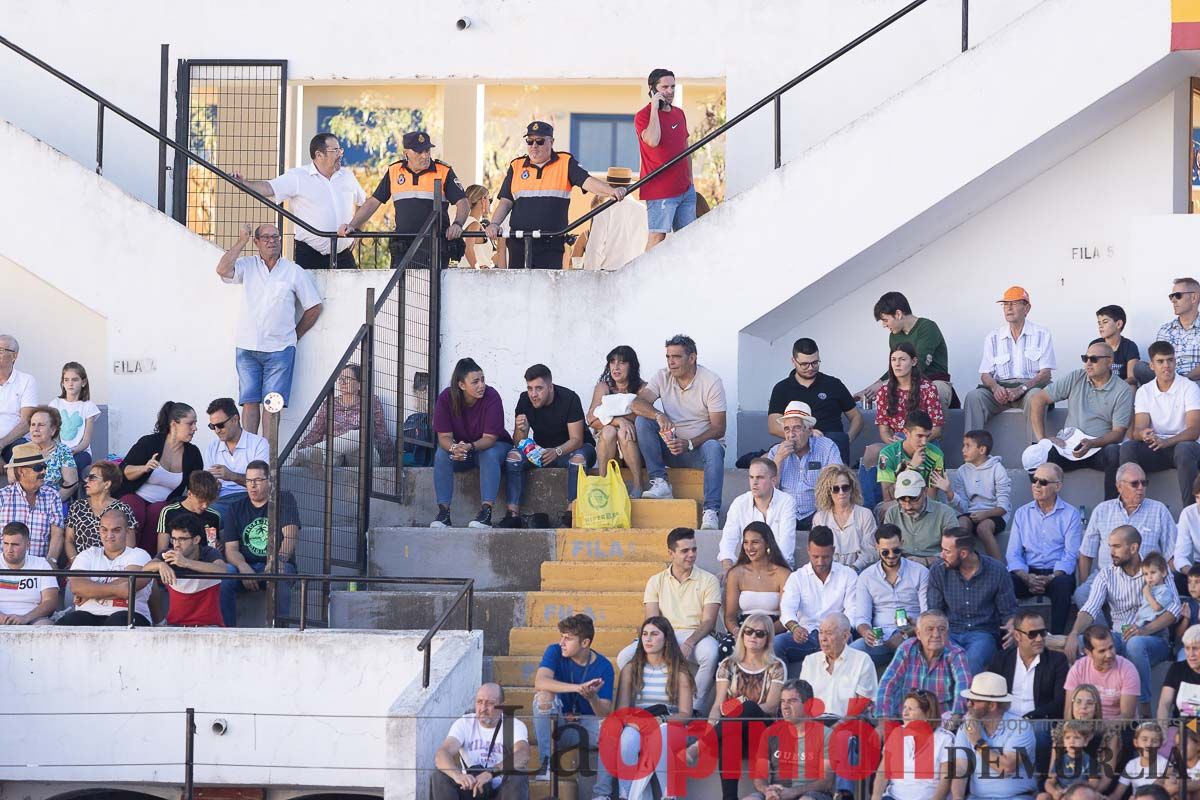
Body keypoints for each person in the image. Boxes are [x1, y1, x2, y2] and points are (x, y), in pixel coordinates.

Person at [217, 222, 323, 436]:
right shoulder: (247, 265)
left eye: (275, 237)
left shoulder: (293, 271)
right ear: (256, 242)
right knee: (249, 403)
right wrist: (241, 240)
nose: (271, 241)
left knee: (272, 405)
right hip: (247, 347)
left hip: (280, 350)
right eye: (265, 238)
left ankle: (268, 459)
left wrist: (295, 335)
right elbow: (222, 269)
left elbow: (314, 307)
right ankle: (250, 456)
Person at [485, 121, 626, 269]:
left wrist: (611, 191)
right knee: (519, 290)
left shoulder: (565, 163)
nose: (534, 146)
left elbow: (587, 181)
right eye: (529, 141)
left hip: (550, 244)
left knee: (547, 290)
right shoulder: (516, 166)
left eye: (539, 141)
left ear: (551, 142)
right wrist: (494, 224)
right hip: (519, 243)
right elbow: (505, 202)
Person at [1069, 527, 1180, 714]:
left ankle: (1144, 711)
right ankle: (1090, 711)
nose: (1111, 552)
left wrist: (1144, 631)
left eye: (1117, 546)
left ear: (1134, 548)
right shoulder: (1106, 574)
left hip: (1154, 639)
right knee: (1081, 643)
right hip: (1118, 637)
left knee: (1135, 644)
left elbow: (1174, 611)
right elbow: (1090, 608)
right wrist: (1073, 633)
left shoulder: (1156, 569)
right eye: (1110, 546)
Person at [617, 528, 720, 709]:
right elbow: (652, 620)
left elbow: (709, 621)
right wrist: (667, 642)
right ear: (671, 554)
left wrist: (689, 642)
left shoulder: (709, 580)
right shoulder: (655, 581)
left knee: (711, 653)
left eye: (694, 549)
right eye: (685, 551)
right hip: (663, 633)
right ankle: (638, 708)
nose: (691, 555)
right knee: (624, 657)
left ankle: (695, 708)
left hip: (696, 635)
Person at [631, 334, 727, 530]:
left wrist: (690, 443)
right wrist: (658, 415)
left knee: (714, 447)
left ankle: (711, 512)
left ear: (692, 358)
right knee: (643, 420)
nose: (671, 362)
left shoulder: (711, 381)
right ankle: (660, 482)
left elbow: (719, 428)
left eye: (676, 357)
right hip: (672, 448)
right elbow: (637, 403)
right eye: (668, 357)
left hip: (699, 451)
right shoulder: (662, 376)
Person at [340, 131, 471, 270]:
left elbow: (463, 203)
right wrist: (352, 225)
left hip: (434, 246)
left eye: (427, 150)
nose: (425, 155)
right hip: (404, 247)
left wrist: (458, 224)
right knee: (401, 290)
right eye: (419, 152)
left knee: (433, 290)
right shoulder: (394, 171)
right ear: (406, 153)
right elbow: (373, 202)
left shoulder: (443, 171)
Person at [231, 133, 365, 269]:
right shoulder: (297, 177)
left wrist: (356, 230)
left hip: (343, 254)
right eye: (335, 150)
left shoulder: (347, 176)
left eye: (340, 149)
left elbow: (363, 203)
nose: (340, 154)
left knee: (351, 290)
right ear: (319, 155)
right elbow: (268, 188)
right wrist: (243, 183)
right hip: (310, 255)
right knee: (307, 291)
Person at [1027, 340, 1132, 499]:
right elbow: (1037, 399)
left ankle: (1110, 508)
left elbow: (1118, 433)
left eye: (1094, 359)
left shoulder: (1122, 389)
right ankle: (1042, 507)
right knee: (1033, 454)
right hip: (1067, 446)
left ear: (1109, 362)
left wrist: (1092, 443)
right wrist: (1043, 439)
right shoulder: (1077, 376)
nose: (1088, 363)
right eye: (1085, 358)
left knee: (1114, 452)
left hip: (1098, 448)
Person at [501, 364, 596, 529]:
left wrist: (557, 451)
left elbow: (577, 439)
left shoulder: (569, 398)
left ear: (550, 387)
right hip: (542, 451)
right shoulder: (525, 399)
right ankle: (513, 514)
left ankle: (570, 513)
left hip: (572, 450)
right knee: (513, 456)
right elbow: (518, 442)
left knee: (578, 459)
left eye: (539, 388)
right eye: (530, 388)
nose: (533, 394)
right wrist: (521, 430)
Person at [704, 612, 786, 800]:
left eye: (759, 633)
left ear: (768, 638)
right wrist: (710, 726)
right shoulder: (728, 664)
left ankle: (700, 746)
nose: (752, 637)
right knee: (731, 735)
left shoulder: (776, 666)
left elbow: (772, 706)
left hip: (763, 732)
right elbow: (718, 705)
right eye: (748, 631)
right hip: (733, 732)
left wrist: (745, 708)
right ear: (741, 634)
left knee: (747, 707)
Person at [530, 613, 614, 792]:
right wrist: (578, 688)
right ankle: (547, 765)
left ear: (585, 643)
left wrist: (592, 697)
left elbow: (605, 712)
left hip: (585, 724)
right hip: (556, 723)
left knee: (612, 728)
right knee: (544, 696)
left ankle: (602, 793)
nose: (562, 642)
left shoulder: (604, 666)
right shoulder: (554, 651)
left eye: (568, 639)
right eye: (562, 637)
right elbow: (540, 682)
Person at [1075, 463, 1176, 609]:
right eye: (1135, 483)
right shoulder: (1102, 510)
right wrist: (1085, 582)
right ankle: (1103, 631)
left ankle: (1139, 630)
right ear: (1119, 487)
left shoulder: (1159, 510)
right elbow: (1086, 553)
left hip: (1144, 577)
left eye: (1144, 482)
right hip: (1108, 576)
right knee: (1082, 594)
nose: (1141, 487)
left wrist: (1158, 578)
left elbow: (1173, 554)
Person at [614, 616, 693, 800]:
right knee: (627, 738)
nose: (648, 639)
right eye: (645, 634)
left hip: (669, 724)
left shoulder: (679, 671)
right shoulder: (630, 669)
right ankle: (626, 794)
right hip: (638, 723)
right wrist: (634, 723)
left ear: (666, 640)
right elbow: (622, 711)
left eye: (654, 634)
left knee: (662, 733)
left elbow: (685, 714)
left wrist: (660, 720)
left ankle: (669, 794)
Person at [430, 358, 512, 529]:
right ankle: (444, 513)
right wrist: (455, 448)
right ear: (461, 385)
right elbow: (444, 437)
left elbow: (490, 439)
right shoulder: (446, 398)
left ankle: (486, 513)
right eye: (475, 382)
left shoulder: (492, 397)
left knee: (488, 453)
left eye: (482, 380)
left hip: (492, 447)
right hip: (464, 452)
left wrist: (469, 446)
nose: (481, 385)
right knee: (441, 453)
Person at [962, 286, 1056, 432]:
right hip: (1001, 389)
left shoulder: (1042, 334)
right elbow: (985, 374)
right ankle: (973, 449)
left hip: (1029, 388)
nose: (1009, 308)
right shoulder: (993, 337)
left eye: (1014, 303)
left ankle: (1036, 450)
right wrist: (995, 388)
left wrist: (1022, 388)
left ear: (1027, 308)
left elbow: (1045, 374)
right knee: (974, 397)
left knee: (1035, 397)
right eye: (1005, 304)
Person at [1120, 340, 1200, 508]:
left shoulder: (1189, 387)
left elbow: (1194, 431)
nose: (1167, 366)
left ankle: (1191, 512)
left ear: (1175, 361)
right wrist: (1144, 434)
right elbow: (1137, 430)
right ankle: (1129, 507)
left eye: (1170, 360)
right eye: (1160, 361)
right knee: (1128, 448)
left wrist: (1167, 442)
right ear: (1151, 365)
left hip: (1184, 448)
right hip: (1157, 447)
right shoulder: (1144, 391)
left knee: (1184, 449)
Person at [1005, 462, 1082, 634]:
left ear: (1058, 486)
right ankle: (1010, 636)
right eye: (1034, 480)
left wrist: (1051, 577)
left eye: (1043, 482)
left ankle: (1056, 639)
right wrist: (1026, 577)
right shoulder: (1022, 513)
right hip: (1028, 571)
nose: (1037, 485)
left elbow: (1070, 555)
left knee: (1063, 586)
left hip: (1056, 573)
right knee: (1005, 582)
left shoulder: (1071, 514)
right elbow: (1013, 553)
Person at [219, 460, 299, 625]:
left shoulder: (283, 500)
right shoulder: (236, 508)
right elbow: (231, 549)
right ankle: (226, 631)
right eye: (248, 481)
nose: (252, 485)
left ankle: (280, 632)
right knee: (225, 574)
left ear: (269, 481)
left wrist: (278, 560)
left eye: (257, 480)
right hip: (246, 566)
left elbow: (290, 536)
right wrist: (243, 567)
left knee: (281, 574)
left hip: (276, 563)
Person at [928, 530, 1017, 675]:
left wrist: (1012, 624)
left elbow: (1008, 610)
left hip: (983, 632)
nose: (941, 555)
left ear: (963, 554)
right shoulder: (938, 570)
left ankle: (962, 698)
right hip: (950, 631)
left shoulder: (997, 570)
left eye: (947, 551)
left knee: (971, 661)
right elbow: (935, 611)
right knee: (940, 658)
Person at [118, 401, 203, 551]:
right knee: (133, 506)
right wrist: (143, 468)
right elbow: (123, 470)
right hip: (135, 494)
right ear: (174, 424)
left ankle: (148, 561)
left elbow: (195, 487)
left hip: (164, 503)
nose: (195, 428)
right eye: (190, 424)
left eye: (195, 424)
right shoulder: (150, 442)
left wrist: (211, 485)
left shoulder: (193, 454)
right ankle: (126, 558)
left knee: (160, 512)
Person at [774, 526, 861, 671]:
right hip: (805, 636)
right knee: (777, 644)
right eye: (815, 557)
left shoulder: (848, 575)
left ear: (833, 551)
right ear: (808, 550)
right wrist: (795, 628)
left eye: (825, 557)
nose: (820, 562)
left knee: (847, 638)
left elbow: (852, 612)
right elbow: (787, 610)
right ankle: (783, 689)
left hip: (836, 636)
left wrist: (836, 631)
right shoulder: (797, 577)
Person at [767, 337, 863, 463]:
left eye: (815, 363)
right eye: (805, 364)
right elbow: (773, 425)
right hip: (798, 443)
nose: (810, 367)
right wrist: (807, 434)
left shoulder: (833, 384)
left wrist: (848, 438)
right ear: (793, 361)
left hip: (833, 442)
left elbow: (856, 417)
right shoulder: (782, 388)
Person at [989, 610, 1068, 761]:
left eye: (1042, 633)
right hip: (1004, 721)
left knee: (1037, 732)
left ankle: (1036, 779)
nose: (1039, 638)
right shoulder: (1001, 659)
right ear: (1017, 636)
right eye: (1032, 634)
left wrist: (1030, 717)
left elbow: (1059, 701)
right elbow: (990, 695)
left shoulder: (1057, 661)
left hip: (1038, 721)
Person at [432, 683, 530, 800]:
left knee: (518, 773)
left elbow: (523, 754)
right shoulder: (464, 723)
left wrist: (491, 773)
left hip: (500, 791)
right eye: (479, 702)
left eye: (490, 703)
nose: (483, 708)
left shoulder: (514, 725)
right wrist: (457, 775)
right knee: (440, 774)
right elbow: (442, 754)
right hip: (469, 788)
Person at [858, 291, 954, 409]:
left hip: (934, 381)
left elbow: (920, 363)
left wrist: (883, 385)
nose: (884, 325)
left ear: (898, 314)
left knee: (935, 390)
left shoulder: (927, 327)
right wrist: (870, 390)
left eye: (885, 320)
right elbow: (895, 367)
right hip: (904, 383)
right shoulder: (894, 336)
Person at [57, 508, 151, 626]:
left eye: (116, 530)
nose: (109, 535)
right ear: (99, 531)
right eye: (104, 530)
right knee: (69, 623)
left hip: (128, 614)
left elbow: (128, 587)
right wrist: (116, 590)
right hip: (87, 613)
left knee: (118, 620)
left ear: (127, 531)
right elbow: (76, 586)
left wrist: (90, 593)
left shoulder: (139, 554)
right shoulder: (88, 554)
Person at [851, 524, 930, 666]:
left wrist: (906, 634)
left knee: (907, 649)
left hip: (913, 634)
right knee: (849, 655)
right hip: (880, 638)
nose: (892, 555)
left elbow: (927, 616)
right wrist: (866, 632)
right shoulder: (867, 576)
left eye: (896, 550)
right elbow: (862, 617)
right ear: (877, 547)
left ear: (902, 544)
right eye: (885, 552)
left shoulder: (920, 572)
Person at [951, 672, 1038, 800]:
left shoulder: (1021, 727)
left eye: (974, 701)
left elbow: (1006, 767)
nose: (968, 704)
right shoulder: (967, 727)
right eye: (969, 700)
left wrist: (978, 742)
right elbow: (960, 769)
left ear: (992, 705)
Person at [744, 679, 836, 800]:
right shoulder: (770, 733)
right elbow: (760, 776)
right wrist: (767, 790)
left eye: (792, 701)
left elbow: (826, 782)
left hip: (813, 794)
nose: (785, 707)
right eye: (783, 701)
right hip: (778, 792)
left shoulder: (827, 734)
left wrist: (793, 792)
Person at [861, 343, 946, 470]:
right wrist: (898, 444)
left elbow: (936, 430)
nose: (897, 364)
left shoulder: (928, 388)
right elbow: (884, 430)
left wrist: (910, 442)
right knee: (872, 451)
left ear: (913, 361)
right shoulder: (884, 391)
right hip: (897, 444)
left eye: (902, 359)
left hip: (924, 442)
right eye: (893, 360)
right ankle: (868, 491)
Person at [636, 68, 695, 250]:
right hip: (660, 190)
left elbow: (686, 148)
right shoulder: (643, 115)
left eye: (673, 87)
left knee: (689, 241)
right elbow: (653, 140)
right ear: (653, 89)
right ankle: (643, 277)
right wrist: (655, 108)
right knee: (657, 238)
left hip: (685, 189)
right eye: (664, 87)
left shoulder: (679, 113)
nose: (670, 91)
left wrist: (691, 182)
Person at [293, 366, 391, 472]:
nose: (342, 383)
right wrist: (302, 448)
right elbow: (316, 432)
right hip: (335, 455)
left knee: (360, 434)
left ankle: (309, 453)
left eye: (347, 379)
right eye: (340, 379)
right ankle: (311, 454)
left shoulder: (372, 401)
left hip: (363, 455)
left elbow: (382, 434)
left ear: (359, 384)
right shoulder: (330, 403)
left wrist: (391, 463)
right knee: (328, 457)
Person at [876, 609, 971, 719]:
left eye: (942, 629)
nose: (936, 634)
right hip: (907, 721)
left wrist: (955, 718)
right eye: (929, 629)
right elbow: (887, 683)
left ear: (947, 633)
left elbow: (963, 688)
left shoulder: (956, 654)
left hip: (941, 724)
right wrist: (883, 719)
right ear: (918, 634)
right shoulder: (907, 649)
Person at [933, 429, 1010, 558]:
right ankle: (962, 564)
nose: (963, 450)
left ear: (982, 450)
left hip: (994, 515)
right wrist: (949, 491)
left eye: (968, 446)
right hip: (971, 514)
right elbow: (963, 507)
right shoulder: (962, 471)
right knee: (961, 525)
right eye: (963, 445)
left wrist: (984, 514)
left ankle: (1000, 569)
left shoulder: (998, 469)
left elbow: (1003, 507)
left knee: (983, 529)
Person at [766, 402, 843, 531]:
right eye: (787, 429)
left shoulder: (826, 447)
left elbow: (839, 481)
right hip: (785, 514)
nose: (791, 435)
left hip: (819, 513)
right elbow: (766, 492)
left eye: (796, 428)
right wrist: (778, 461)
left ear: (809, 429)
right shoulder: (776, 452)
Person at [587, 345, 651, 498]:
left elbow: (642, 418)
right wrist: (619, 420)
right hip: (610, 450)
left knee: (623, 432)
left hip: (636, 448)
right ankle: (604, 483)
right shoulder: (603, 387)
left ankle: (638, 485)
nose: (616, 367)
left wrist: (610, 417)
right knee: (609, 431)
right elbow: (591, 419)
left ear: (631, 365)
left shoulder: (642, 388)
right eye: (612, 362)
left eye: (622, 362)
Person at [144, 512, 227, 627]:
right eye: (173, 539)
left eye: (182, 539)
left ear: (196, 539)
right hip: (175, 626)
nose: (176, 544)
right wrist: (160, 565)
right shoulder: (168, 554)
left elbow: (223, 570)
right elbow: (145, 569)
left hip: (209, 626)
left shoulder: (209, 552)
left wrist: (186, 563)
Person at [870, 689, 953, 800]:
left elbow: (946, 780)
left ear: (928, 714)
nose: (905, 713)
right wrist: (875, 798)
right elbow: (882, 773)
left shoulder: (945, 738)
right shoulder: (897, 734)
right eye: (904, 707)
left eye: (910, 709)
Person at [718, 458, 798, 574]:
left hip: (778, 567)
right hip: (748, 568)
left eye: (760, 478)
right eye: (751, 477)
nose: (754, 482)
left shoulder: (787, 502)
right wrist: (727, 566)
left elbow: (786, 547)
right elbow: (728, 539)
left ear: (773, 480)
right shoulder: (739, 503)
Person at [799, 611, 877, 717]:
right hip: (815, 727)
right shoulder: (810, 661)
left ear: (845, 637)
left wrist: (838, 727)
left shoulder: (862, 661)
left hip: (848, 727)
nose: (823, 639)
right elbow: (803, 701)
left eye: (829, 633)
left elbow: (862, 705)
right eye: (821, 632)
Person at [203, 397, 270, 520]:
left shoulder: (258, 443)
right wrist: (210, 487)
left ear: (235, 419)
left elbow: (263, 484)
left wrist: (231, 476)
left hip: (249, 497)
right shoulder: (212, 447)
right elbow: (211, 486)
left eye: (220, 425)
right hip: (221, 500)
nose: (217, 431)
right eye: (212, 427)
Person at [0, 442, 64, 566]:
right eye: (38, 468)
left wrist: (51, 562)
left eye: (45, 466)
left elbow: (57, 533)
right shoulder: (2, 497)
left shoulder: (52, 495)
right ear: (21, 471)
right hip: (5, 568)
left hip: (39, 568)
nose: (44, 471)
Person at [722, 521, 791, 634]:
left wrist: (763, 634)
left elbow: (786, 617)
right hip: (744, 629)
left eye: (755, 542)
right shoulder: (735, 573)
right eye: (746, 542)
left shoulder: (783, 574)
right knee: (726, 648)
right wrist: (738, 633)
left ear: (767, 544)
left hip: (773, 629)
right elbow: (730, 617)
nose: (749, 548)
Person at [65, 460, 137, 562]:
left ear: (107, 484)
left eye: (92, 478)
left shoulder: (122, 509)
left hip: (112, 568)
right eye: (87, 477)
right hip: (81, 567)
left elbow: (129, 545)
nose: (87, 480)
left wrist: (112, 568)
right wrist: (76, 563)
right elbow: (69, 540)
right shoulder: (77, 506)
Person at [882, 471, 960, 565]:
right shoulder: (892, 513)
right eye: (902, 500)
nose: (908, 506)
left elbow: (954, 550)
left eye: (914, 499)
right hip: (901, 564)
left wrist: (927, 560)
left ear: (925, 491)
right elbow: (886, 546)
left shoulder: (945, 513)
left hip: (936, 565)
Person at [1063, 625, 1139, 720]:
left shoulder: (1127, 669)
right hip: (1084, 727)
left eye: (1111, 648)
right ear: (1088, 653)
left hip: (1117, 729)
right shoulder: (1078, 669)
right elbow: (1069, 713)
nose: (1109, 655)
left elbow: (1127, 717)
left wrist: (1097, 728)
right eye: (1102, 651)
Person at [811, 464, 878, 569]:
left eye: (845, 487)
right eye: (835, 489)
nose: (841, 492)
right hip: (830, 572)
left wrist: (854, 568)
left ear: (852, 488)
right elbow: (818, 550)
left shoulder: (865, 514)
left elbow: (870, 551)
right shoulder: (820, 518)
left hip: (860, 572)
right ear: (828, 491)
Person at [581, 167, 647, 270]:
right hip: (637, 273)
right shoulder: (644, 210)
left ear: (609, 186)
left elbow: (594, 249)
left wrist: (590, 276)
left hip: (610, 274)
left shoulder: (604, 210)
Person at [877, 411, 944, 509]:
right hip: (896, 504)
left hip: (922, 505)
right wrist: (912, 467)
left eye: (927, 436)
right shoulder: (887, 454)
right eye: (920, 436)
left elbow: (931, 497)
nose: (924, 442)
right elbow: (889, 497)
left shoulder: (936, 455)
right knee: (885, 509)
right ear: (906, 433)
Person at [0, 522, 58, 624]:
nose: (9, 550)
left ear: (28, 545)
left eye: (15, 545)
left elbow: (50, 601)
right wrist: (3, 619)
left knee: (45, 626)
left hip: (33, 619)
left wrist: (26, 618)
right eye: (6, 543)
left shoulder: (41, 564)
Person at [19, 406, 78, 505]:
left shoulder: (62, 451)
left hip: (51, 504)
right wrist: (37, 457)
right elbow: (12, 477)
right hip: (23, 503)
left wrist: (50, 504)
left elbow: (71, 483)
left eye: (41, 425)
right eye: (33, 425)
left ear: (53, 430)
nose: (35, 429)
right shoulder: (22, 449)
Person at [156, 470, 222, 554]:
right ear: (190, 494)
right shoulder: (169, 512)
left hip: (204, 563)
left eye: (209, 502)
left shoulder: (214, 516)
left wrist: (218, 546)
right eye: (201, 501)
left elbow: (214, 548)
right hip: (176, 560)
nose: (205, 506)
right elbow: (162, 551)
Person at [49, 361, 99, 473]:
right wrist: (60, 450)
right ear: (62, 382)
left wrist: (74, 450)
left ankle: (69, 489)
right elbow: (52, 433)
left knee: (71, 467)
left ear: (83, 382)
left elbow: (86, 440)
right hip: (58, 451)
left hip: (81, 452)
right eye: (66, 380)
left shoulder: (88, 406)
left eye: (75, 379)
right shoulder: (55, 404)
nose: (70, 383)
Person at [1040, 720, 1105, 800]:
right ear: (1063, 741)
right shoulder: (1060, 761)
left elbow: (1094, 782)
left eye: (1077, 738)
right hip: (1062, 793)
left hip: (1081, 794)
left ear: (1085, 742)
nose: (1072, 741)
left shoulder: (1090, 761)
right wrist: (1055, 792)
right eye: (1068, 738)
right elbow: (1049, 782)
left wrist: (1076, 790)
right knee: (1042, 797)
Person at [1153, 277, 1200, 381]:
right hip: (1167, 381)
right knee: (1140, 368)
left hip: (1195, 382)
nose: (1173, 300)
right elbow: (1158, 360)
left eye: (1178, 296)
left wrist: (1183, 381)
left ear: (1194, 297)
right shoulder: (1165, 330)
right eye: (1171, 296)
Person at [0, 334, 36, 465]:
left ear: (14, 356)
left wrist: (1, 444)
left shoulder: (26, 381)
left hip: (14, 441)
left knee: (29, 459)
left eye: (1, 350)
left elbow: (26, 422)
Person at [1112, 722, 1168, 800]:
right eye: (1144, 739)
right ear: (1136, 742)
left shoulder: (1165, 765)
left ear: (1160, 744)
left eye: (1154, 741)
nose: (1149, 744)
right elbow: (1118, 793)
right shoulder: (1131, 764)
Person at [1157, 624, 1200, 723]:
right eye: (1187, 648)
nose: (1190, 654)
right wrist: (1163, 732)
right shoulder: (1177, 669)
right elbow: (1164, 704)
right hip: (1180, 729)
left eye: (1195, 648)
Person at [1093, 305, 1142, 385]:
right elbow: (1090, 372)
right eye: (1099, 323)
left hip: (1121, 388)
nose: (1100, 326)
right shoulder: (1095, 345)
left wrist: (1115, 387)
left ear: (1118, 324)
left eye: (1105, 322)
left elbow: (1132, 378)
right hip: (1099, 387)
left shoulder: (1129, 346)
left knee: (1132, 387)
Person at [461, 184, 502, 269]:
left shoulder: (465, 222)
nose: (490, 203)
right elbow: (468, 249)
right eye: (489, 200)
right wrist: (477, 270)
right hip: (474, 278)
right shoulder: (474, 224)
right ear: (483, 200)